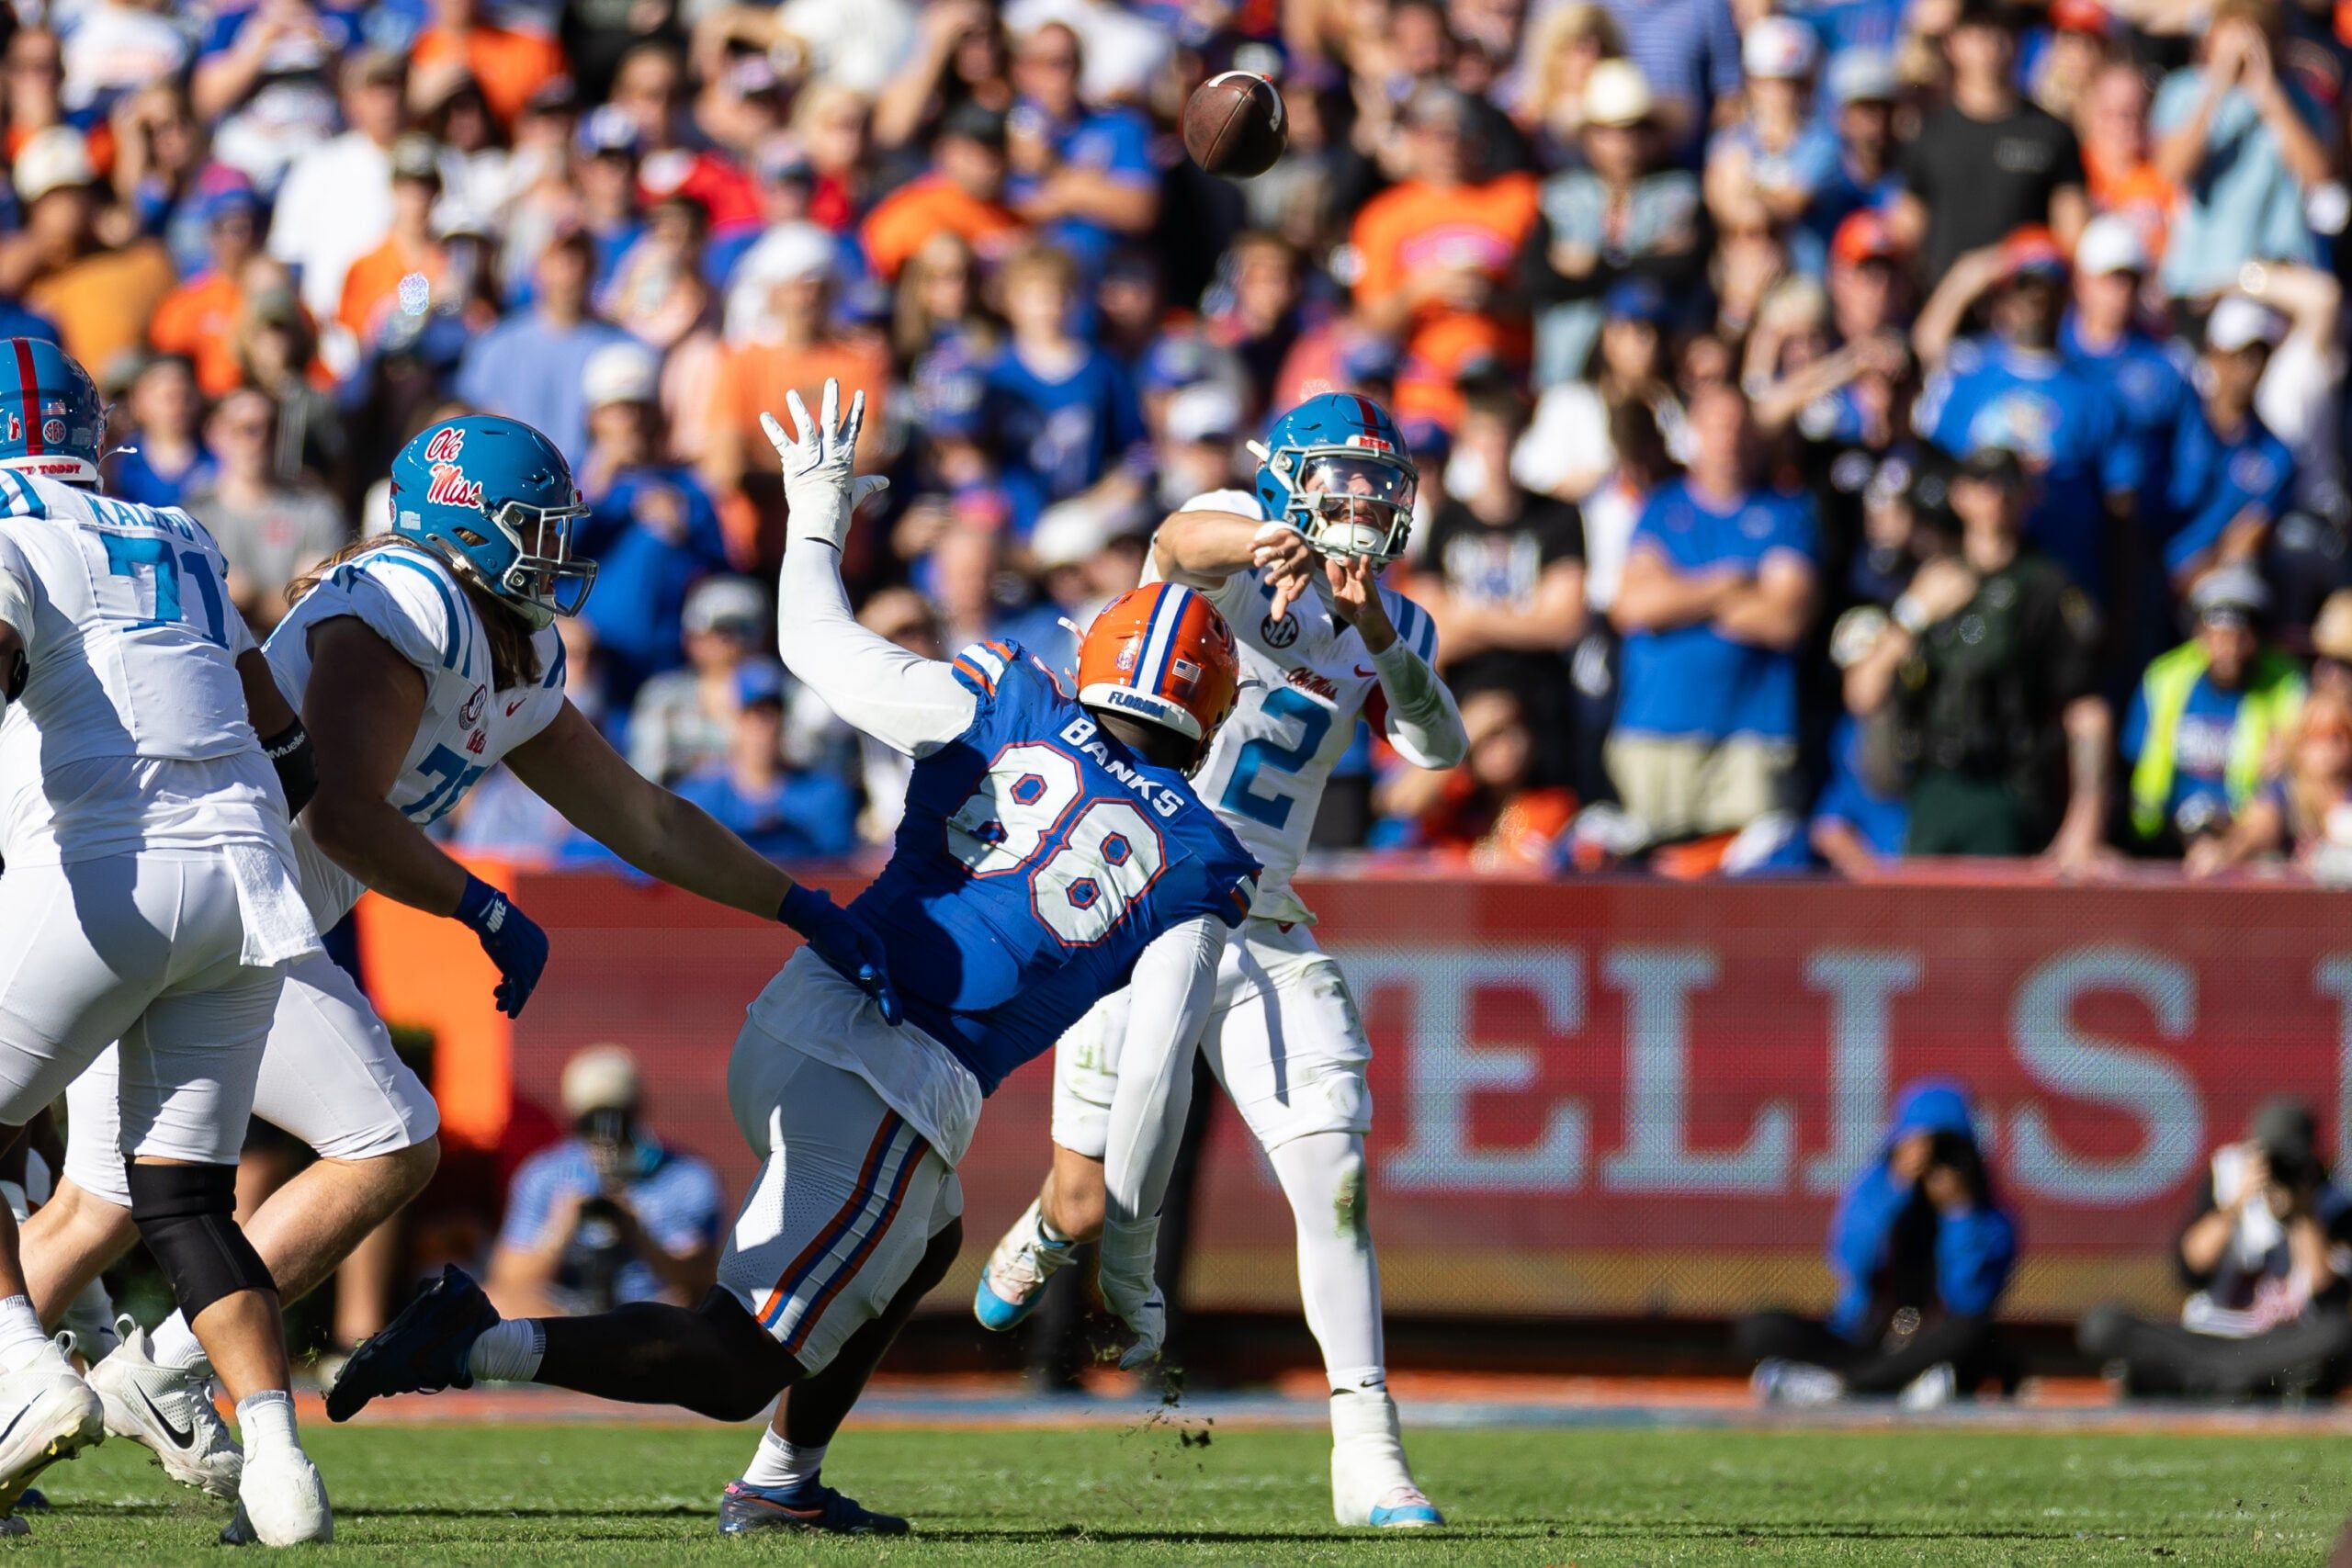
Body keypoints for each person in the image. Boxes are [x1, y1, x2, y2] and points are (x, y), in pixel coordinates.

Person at [323, 382, 1261, 1541]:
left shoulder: (1007, 700)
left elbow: (813, 644)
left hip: (809, 1009)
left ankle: (785, 1483)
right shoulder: (1200, 860)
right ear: (1212, 714)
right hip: (892, 1077)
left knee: (924, 1239)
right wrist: (1128, 1265)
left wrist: (814, 513)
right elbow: (1158, 1075)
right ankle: (468, 1341)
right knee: (731, 1361)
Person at [23, 410, 896, 1513]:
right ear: (465, 530)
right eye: (534, 527)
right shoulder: (405, 605)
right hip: (236, 907)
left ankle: (66, 1408)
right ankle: (162, 1374)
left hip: (218, 912)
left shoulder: (508, 638)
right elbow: (340, 814)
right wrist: (480, 905)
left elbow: (643, 817)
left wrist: (796, 903)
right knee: (386, 1140)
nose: (557, 549)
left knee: (98, 1209)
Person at [972, 390, 1466, 1529]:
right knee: (1090, 1199)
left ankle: (1369, 1451)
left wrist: (1380, 633)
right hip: (1140, 897)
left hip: (1265, 917)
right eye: (1343, 479)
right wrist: (1262, 540)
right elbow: (1175, 543)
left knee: (1331, 1179)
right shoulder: (1237, 546)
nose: (1368, 502)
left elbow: (1437, 746)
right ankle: (1052, 1227)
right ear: (1289, 480)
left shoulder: (1396, 619)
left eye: (1381, 483)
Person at [0, 338, 330, 1543]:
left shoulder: (5, 520)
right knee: (186, 1199)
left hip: (106, 866)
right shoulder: (180, 529)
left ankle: (24, 1371)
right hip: (249, 876)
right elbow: (285, 737)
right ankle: (279, 1456)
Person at [1842, 446, 2111, 864]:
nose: (1994, 497)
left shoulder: (2045, 587)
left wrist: (2084, 821)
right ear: (1959, 496)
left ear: (2028, 497)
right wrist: (1913, 614)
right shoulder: (1928, 578)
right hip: (1931, 787)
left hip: (2006, 788)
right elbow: (1863, 694)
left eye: (2006, 485)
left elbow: (2086, 711)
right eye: (1981, 485)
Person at [1608, 382, 1818, 847]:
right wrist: (1731, 583)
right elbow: (1635, 607)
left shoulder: (1787, 512)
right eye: (1717, 426)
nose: (1729, 439)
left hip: (1752, 737)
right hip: (1657, 729)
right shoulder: (1660, 509)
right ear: (1695, 433)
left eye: (1740, 426)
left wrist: (1679, 596)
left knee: (1752, 896)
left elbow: (1785, 621)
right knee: (1652, 893)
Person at [1740, 1081, 2018, 1407]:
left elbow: (1968, 1298)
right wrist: (1896, 1188)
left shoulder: (1987, 1214)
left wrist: (1958, 1212)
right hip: (1864, 1339)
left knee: (1974, 1335)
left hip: (1930, 1345)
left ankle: (1842, 1387)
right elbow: (1851, 1262)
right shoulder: (1876, 1188)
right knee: (1762, 1328)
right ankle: (1887, 1385)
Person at [1913, 228, 2138, 604]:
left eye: (2048, 288)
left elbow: (2121, 508)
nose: (2036, 300)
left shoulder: (2097, 395)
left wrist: (2120, 606)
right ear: (2004, 295)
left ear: (2067, 296)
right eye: (2024, 287)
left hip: (2063, 584)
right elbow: (1934, 475)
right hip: (1973, 588)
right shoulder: (1965, 375)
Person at [2079, 1100, 2352, 1399]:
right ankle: (2243, 1382)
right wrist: (2233, 1207)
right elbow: (2189, 1270)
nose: (2276, 1170)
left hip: (2280, 1344)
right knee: (2104, 1324)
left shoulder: (2332, 1201)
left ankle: (2201, 1381)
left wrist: (2302, 1215)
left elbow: (2328, 1298)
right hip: (2208, 1335)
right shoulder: (2226, 1177)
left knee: (2341, 1333)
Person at [487, 1045, 722, 1318]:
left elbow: (699, 1279)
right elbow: (508, 1281)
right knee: (496, 1305)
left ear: (639, 1110)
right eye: (593, 1120)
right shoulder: (544, 1175)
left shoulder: (687, 1177)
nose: (607, 1133)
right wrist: (560, 1230)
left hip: (653, 1312)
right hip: (568, 1313)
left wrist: (638, 1232)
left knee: (701, 1310)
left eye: (618, 1118)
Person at [2148, 0, 2332, 304]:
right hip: (2202, 273)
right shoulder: (2183, 90)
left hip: (2277, 271)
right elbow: (2171, 170)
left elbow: (2320, 176)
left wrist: (2269, 95)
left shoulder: (2299, 98)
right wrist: (2217, 84)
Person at [1893, 0, 2086, 287]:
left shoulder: (2052, 133)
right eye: (1978, 31)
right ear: (1952, 42)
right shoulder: (1928, 134)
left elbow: (2073, 237)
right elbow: (1906, 233)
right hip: (1948, 313)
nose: (1991, 44)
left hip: (2027, 309)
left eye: (2004, 30)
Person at [2123, 566, 2303, 853]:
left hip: (2248, 844)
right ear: (2198, 634)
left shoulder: (2286, 685)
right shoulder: (2164, 678)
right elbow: (2131, 760)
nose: (2227, 651)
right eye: (2216, 636)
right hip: (2163, 841)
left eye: (2239, 637)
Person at [179, 389, 349, 634]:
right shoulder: (192, 515)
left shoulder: (316, 511)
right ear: (215, 433)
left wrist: (250, 598)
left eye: (272, 428)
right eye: (245, 428)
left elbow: (314, 606)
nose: (259, 439)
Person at [2159, 297, 2296, 590]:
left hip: (2207, 587)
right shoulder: (2177, 417)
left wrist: (2189, 580)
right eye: (2239, 355)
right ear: (2214, 353)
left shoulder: (2276, 455)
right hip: (2149, 568)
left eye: (2259, 356)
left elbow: (2244, 538)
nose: (2249, 368)